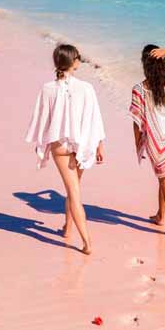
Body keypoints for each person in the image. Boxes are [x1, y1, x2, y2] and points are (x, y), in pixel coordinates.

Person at [25, 43, 106, 255]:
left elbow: (43, 120)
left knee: (73, 189)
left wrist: (41, 146)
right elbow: (94, 119)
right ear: (74, 62)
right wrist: (99, 144)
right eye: (78, 57)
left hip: (60, 147)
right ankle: (87, 242)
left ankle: (68, 227)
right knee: (74, 191)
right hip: (82, 145)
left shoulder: (47, 89)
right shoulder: (86, 88)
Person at [129, 45, 165, 239]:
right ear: (162, 61)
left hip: (156, 143)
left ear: (144, 65)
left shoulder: (139, 89)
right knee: (164, 177)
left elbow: (137, 122)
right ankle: (160, 216)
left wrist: (138, 144)